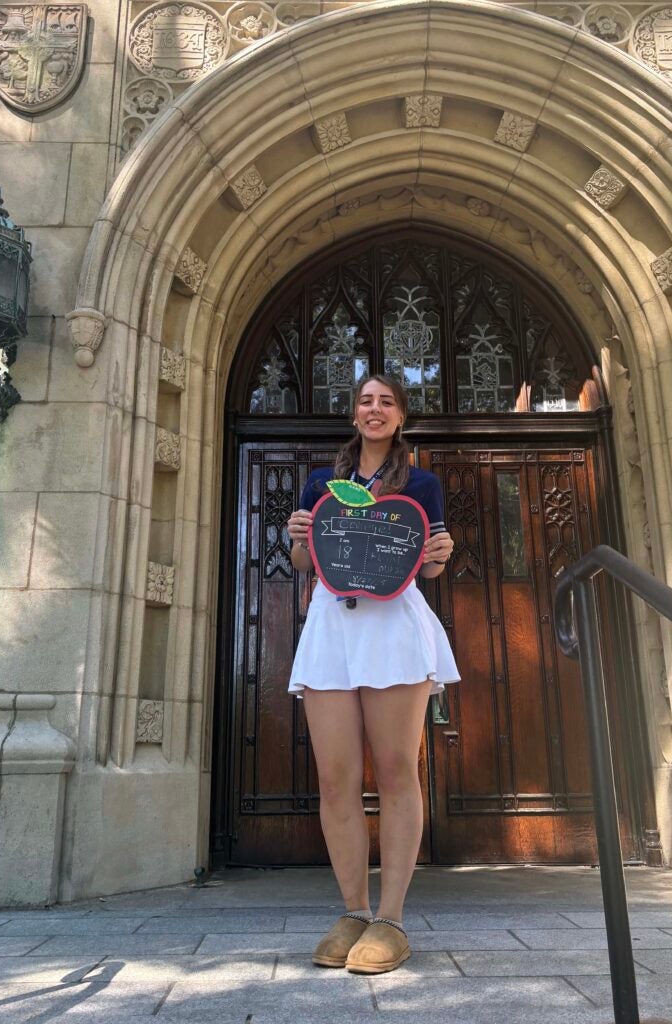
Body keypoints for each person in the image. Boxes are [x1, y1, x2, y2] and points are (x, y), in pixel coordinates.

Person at [285, 374, 460, 974]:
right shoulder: (321, 483)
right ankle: (354, 909)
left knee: (393, 772)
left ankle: (391, 919)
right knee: (335, 779)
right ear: (354, 415)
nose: (375, 409)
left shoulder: (422, 484)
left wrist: (439, 556)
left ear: (400, 415)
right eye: (366, 401)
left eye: (387, 401)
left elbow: (431, 564)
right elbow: (306, 561)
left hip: (393, 628)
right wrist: (297, 539)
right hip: (334, 627)